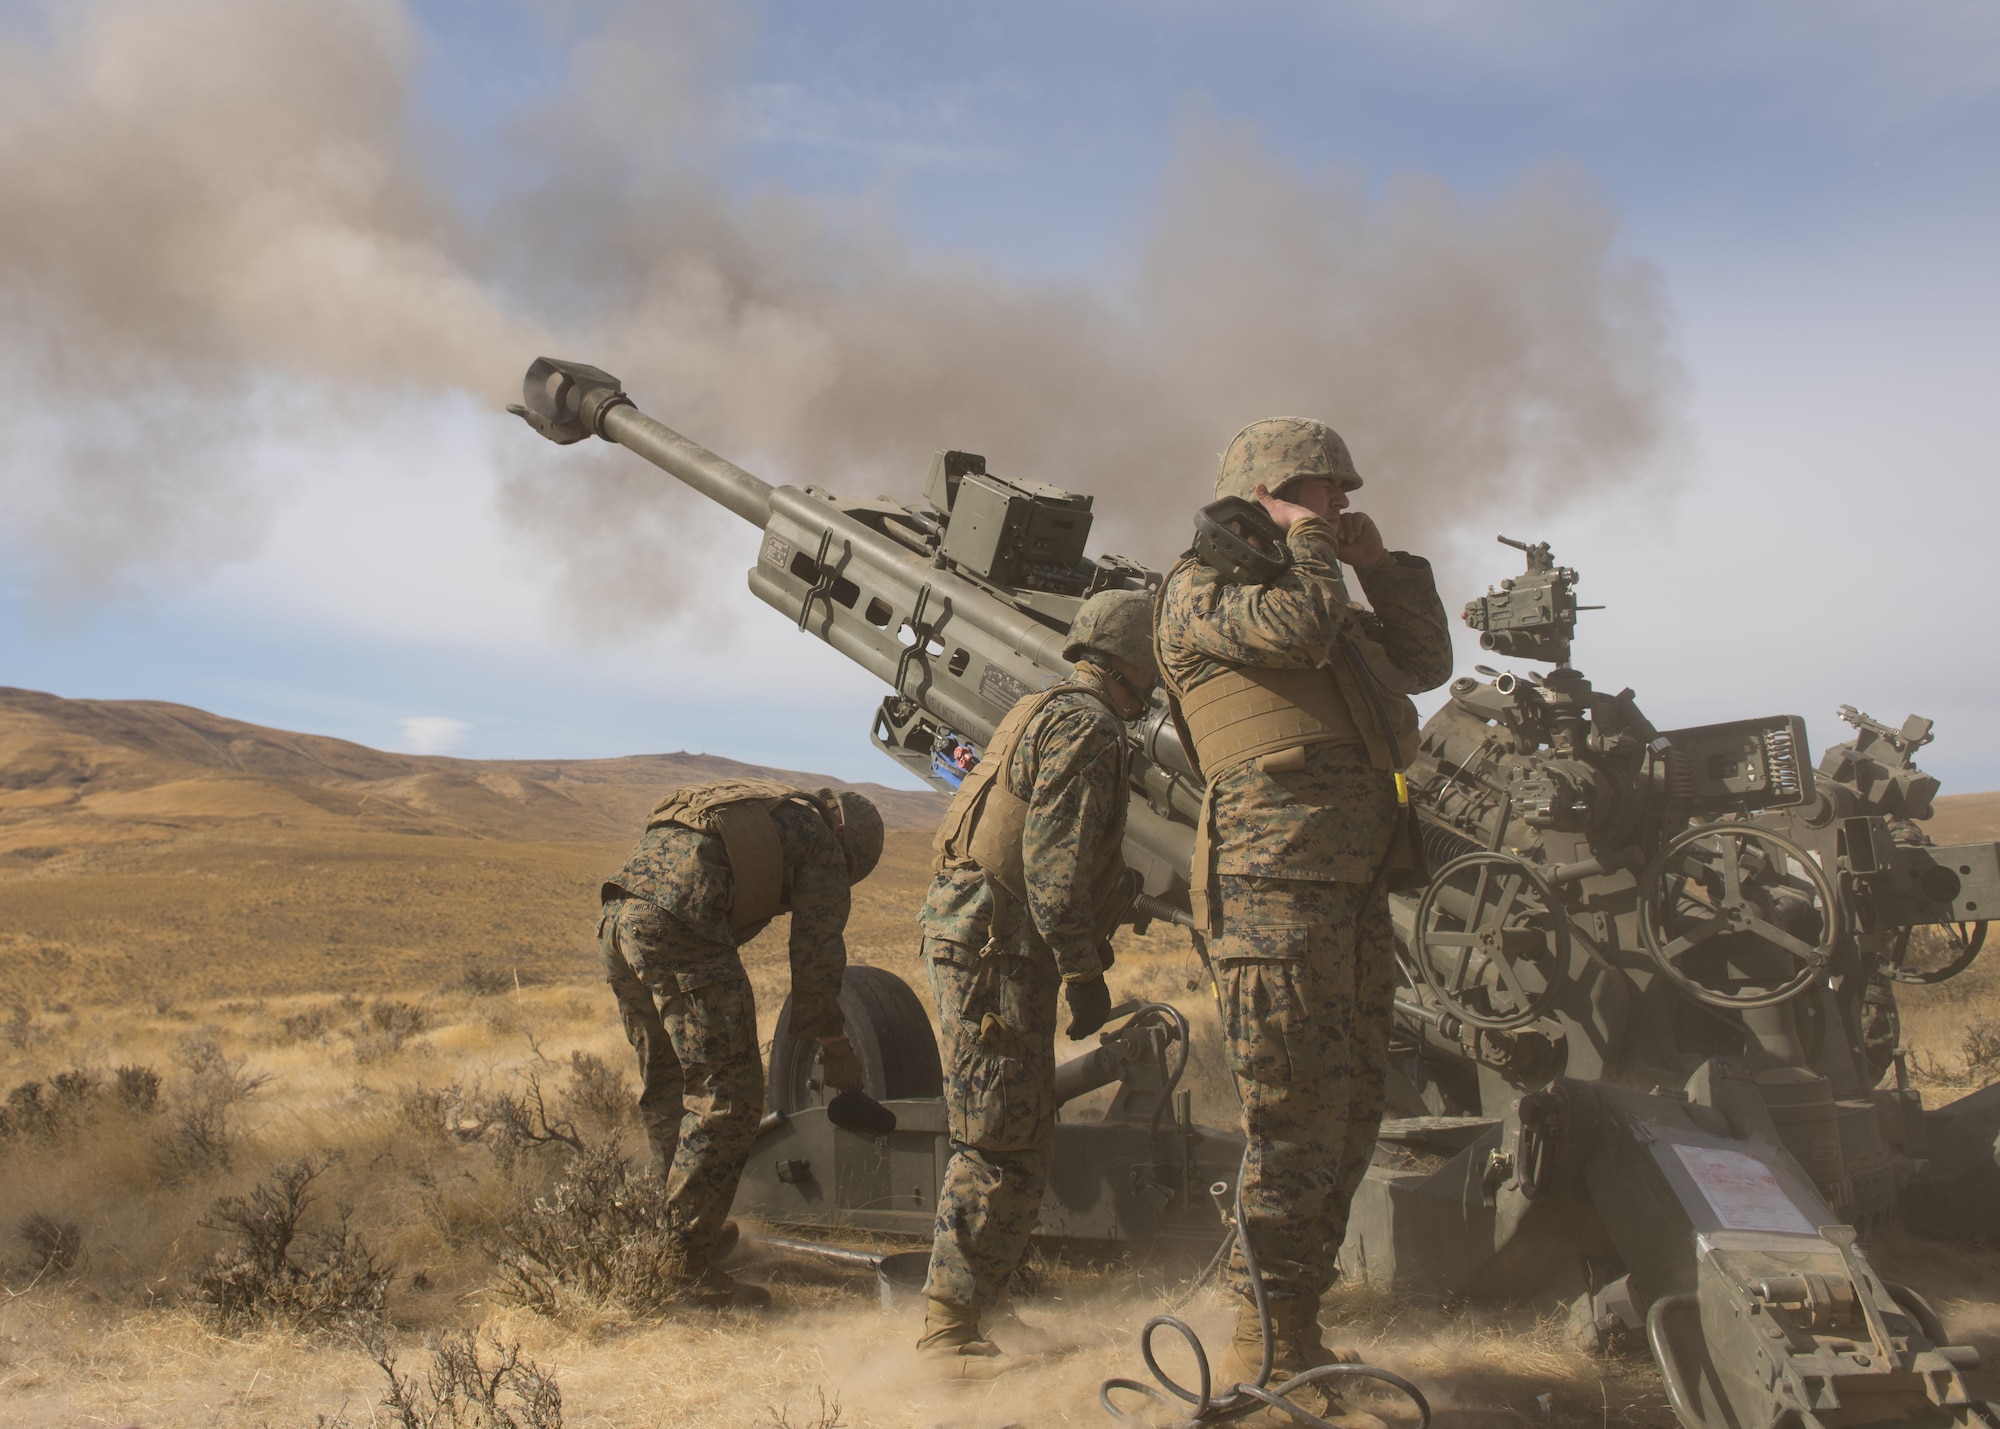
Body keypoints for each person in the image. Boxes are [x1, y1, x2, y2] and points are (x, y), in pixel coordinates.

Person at [1156, 418, 1453, 1421]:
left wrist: (1384, 567)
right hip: (1272, 890)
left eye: (1340, 492)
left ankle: (1301, 1331)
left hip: (1357, 891)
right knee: (1288, 1124)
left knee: (1349, 1115)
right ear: (1262, 495)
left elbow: (1420, 661)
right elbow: (1292, 632)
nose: (1336, 506)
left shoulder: (1327, 596)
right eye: (1316, 492)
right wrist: (1315, 550)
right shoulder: (1202, 591)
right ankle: (1261, 1343)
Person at [915, 588, 1157, 1376]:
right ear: (1132, 660)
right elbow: (1051, 868)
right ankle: (947, 1334)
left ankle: (981, 1302)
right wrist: (1086, 972)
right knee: (996, 1136)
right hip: (998, 949)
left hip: (989, 939)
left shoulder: (1044, 707)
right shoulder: (1090, 727)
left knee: (1021, 1128)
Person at [599, 778, 885, 1308]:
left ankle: (682, 1233)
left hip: (617, 920)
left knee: (669, 1085)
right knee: (728, 1096)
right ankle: (684, 1266)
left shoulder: (767, 802)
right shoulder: (822, 841)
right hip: (679, 925)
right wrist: (836, 1045)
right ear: (847, 842)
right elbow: (816, 958)